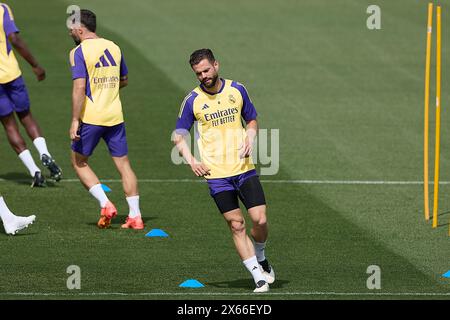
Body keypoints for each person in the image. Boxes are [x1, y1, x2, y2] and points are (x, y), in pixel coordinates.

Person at [173, 49, 275, 293]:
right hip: (216, 176)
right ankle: (257, 278)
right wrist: (192, 161)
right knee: (236, 225)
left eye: (206, 70)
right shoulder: (192, 100)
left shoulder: (237, 90)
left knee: (259, 220)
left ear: (216, 65)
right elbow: (178, 135)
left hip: (244, 169)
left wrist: (250, 137)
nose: (204, 76)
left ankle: (260, 256)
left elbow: (251, 119)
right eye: (198, 73)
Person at [68, 9, 143, 230]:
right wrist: (107, 89)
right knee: (124, 165)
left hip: (91, 117)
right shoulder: (114, 47)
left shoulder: (79, 51)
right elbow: (125, 80)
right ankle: (136, 217)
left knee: (79, 161)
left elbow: (79, 87)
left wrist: (74, 119)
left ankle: (105, 203)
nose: (70, 32)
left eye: (71, 29)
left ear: (80, 29)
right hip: (114, 115)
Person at [0, 3, 62, 187]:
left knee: (9, 126)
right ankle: (45, 154)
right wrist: (35, 65)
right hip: (12, 74)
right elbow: (14, 38)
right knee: (26, 117)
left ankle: (35, 171)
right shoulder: (2, 8)